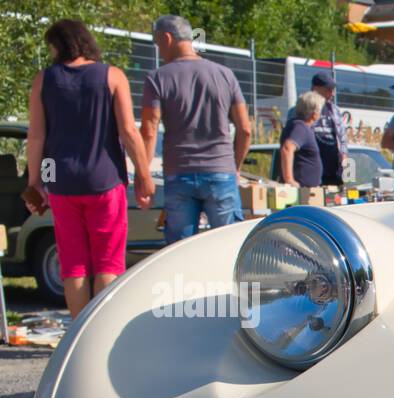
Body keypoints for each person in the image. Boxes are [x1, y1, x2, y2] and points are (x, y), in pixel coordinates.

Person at [24, 19, 153, 319]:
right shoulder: (112, 76)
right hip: (105, 181)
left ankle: (77, 337)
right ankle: (101, 330)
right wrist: (144, 176)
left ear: (60, 45)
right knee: (108, 262)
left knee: (74, 265)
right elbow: (128, 133)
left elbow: (37, 137)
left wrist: (38, 182)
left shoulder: (44, 80)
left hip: (61, 183)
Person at [140, 15, 250, 246]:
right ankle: (228, 283)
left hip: (179, 173)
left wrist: (144, 174)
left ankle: (185, 283)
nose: (159, 50)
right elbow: (245, 129)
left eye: (158, 44)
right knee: (230, 247)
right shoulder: (225, 75)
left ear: (167, 38)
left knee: (180, 249)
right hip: (220, 171)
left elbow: (149, 130)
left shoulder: (157, 78)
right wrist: (235, 166)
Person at [310, 73, 349, 186]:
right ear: (316, 88)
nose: (332, 93)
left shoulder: (334, 110)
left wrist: (344, 156)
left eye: (333, 89)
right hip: (313, 169)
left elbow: (342, 137)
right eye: (328, 89)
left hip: (333, 169)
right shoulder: (302, 109)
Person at [279, 93, 324, 188]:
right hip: (300, 193)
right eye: (320, 111)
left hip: (306, 191)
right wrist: (289, 180)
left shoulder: (298, 125)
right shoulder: (300, 127)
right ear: (314, 114)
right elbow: (287, 148)